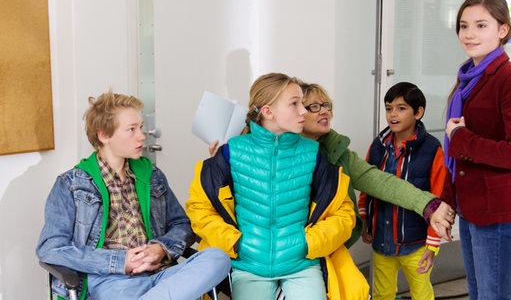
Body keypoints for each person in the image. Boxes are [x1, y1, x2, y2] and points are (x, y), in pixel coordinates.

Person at [186, 72, 369, 300]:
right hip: (249, 267)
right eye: (295, 104)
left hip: (301, 266)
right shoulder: (230, 153)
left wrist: (307, 243)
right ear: (267, 111)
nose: (303, 110)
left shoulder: (313, 155)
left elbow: (344, 214)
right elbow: (199, 209)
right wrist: (236, 243)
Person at [36, 91, 231, 300]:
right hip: (112, 281)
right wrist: (120, 261)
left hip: (160, 275)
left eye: (140, 128)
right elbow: (51, 248)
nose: (141, 136)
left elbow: (182, 225)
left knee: (218, 258)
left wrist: (160, 248)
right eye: (131, 130)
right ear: (104, 135)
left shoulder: (153, 176)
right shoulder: (71, 184)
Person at [442, 0, 511, 300]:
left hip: (500, 210)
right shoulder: (466, 78)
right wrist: (447, 200)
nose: (469, 33)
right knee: (479, 295)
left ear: (502, 30)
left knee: (492, 296)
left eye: (481, 25)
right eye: (463, 25)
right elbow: (455, 156)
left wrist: (461, 138)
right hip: (473, 206)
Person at [298, 82, 455, 246]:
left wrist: (428, 205)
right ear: (298, 113)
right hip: (295, 246)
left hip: (324, 244)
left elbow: (380, 182)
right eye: (315, 106)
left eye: (326, 105)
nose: (325, 111)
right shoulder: (280, 153)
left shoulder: (338, 152)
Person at [359, 82, 446, 300]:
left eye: (401, 108)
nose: (393, 115)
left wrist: (432, 245)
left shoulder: (432, 149)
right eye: (389, 108)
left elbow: (439, 199)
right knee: (382, 294)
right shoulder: (378, 146)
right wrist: (365, 219)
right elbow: (367, 184)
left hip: (416, 244)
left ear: (418, 112)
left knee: (421, 294)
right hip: (381, 242)